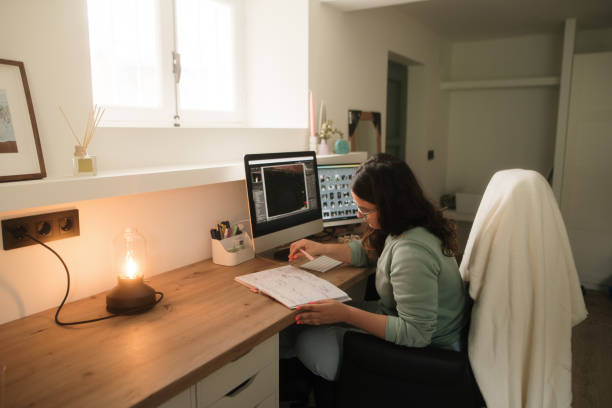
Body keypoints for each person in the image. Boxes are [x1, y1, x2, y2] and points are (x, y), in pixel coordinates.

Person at [282, 153, 467, 388]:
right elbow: (368, 252)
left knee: (307, 339)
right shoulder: (409, 225)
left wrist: (345, 314)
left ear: (390, 205)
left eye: (365, 210)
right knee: (310, 320)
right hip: (400, 321)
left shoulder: (412, 252)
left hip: (428, 354)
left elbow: (416, 334)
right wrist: (321, 249)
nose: (359, 215)